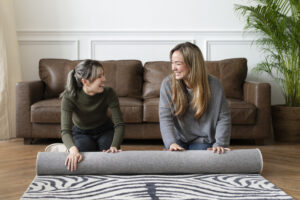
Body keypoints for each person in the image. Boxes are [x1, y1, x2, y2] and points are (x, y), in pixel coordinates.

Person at [159, 42, 231, 153]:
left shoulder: (214, 84)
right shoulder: (167, 83)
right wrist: (171, 143)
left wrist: (220, 144)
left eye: (178, 63)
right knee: (173, 167)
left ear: (192, 64)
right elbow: (165, 117)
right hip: (178, 140)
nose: (173, 68)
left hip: (203, 141)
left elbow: (223, 117)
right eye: (172, 63)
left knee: (199, 168)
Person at [60, 59, 125, 171]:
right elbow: (65, 130)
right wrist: (73, 149)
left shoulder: (109, 93)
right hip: (81, 133)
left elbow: (119, 124)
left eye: (103, 75)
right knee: (82, 157)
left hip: (105, 130)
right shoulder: (69, 97)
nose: (104, 79)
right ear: (85, 81)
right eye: (99, 76)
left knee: (110, 158)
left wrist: (114, 146)